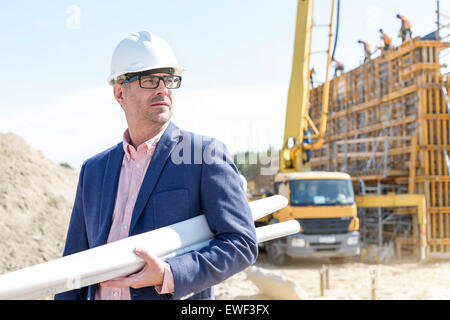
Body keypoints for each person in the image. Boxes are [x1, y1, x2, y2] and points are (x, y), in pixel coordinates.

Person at [54, 31, 258, 300]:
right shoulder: (94, 170)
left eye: (169, 80)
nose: (163, 89)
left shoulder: (203, 156)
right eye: (150, 80)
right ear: (119, 92)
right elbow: (75, 262)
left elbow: (241, 243)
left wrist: (169, 274)